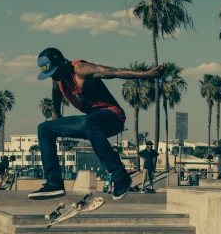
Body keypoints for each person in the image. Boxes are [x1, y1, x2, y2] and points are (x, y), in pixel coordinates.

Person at [28, 47, 162, 200]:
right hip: (91, 123)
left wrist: (146, 75)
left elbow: (114, 72)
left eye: (57, 72)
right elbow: (56, 92)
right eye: (52, 75)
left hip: (113, 117)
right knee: (44, 129)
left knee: (87, 122)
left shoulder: (81, 70)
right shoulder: (57, 78)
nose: (56, 77)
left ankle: (120, 176)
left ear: (63, 63)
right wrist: (56, 114)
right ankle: (54, 182)